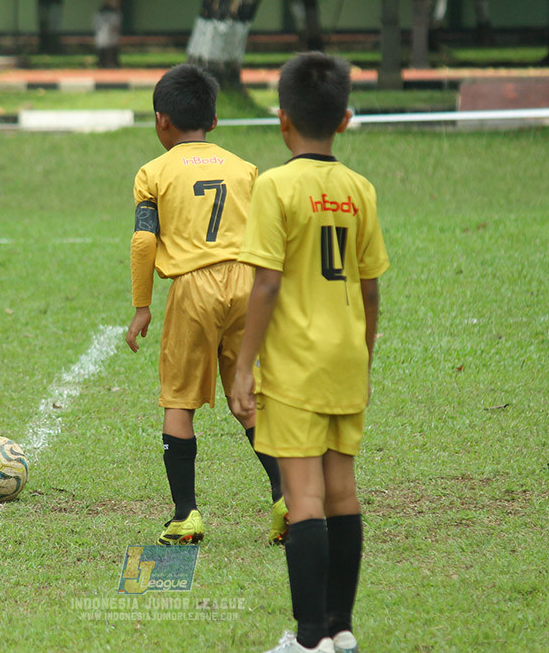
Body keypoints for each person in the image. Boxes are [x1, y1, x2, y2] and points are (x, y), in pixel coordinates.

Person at [230, 52, 389, 653]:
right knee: (342, 490)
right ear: (344, 120)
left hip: (296, 363)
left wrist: (244, 365)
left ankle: (308, 639)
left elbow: (266, 284)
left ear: (282, 119)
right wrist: (363, 358)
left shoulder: (275, 186)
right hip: (347, 357)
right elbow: (370, 290)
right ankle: (342, 630)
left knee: (305, 500)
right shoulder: (359, 190)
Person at [125, 64, 288, 547]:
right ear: (214, 121)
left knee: (179, 400)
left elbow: (142, 241)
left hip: (193, 289)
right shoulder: (246, 170)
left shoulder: (154, 172)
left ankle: (185, 515)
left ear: (161, 121)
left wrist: (142, 307)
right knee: (249, 396)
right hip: (246, 283)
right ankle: (285, 499)